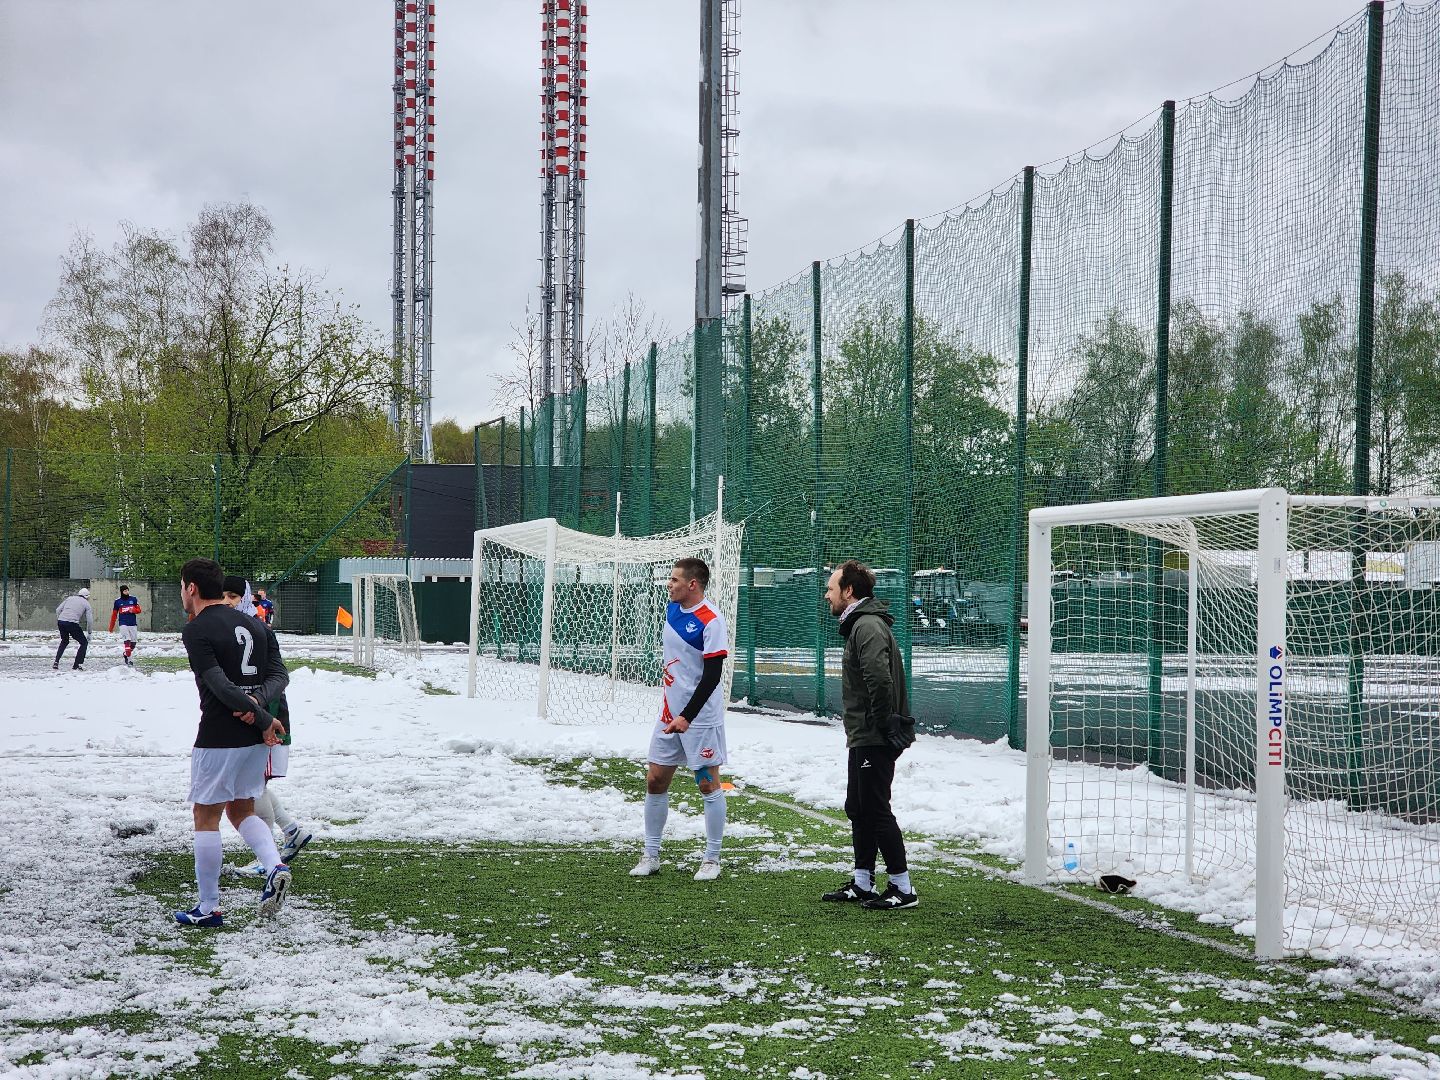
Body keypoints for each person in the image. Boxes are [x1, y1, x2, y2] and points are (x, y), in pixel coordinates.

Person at [174, 558, 293, 928]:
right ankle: (275, 867)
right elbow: (279, 675)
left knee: (205, 816)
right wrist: (259, 706)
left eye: (181, 586)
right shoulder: (256, 624)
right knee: (241, 810)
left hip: (219, 735)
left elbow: (219, 686)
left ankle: (208, 907)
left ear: (191, 588)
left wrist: (257, 712)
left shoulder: (195, 629)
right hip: (254, 739)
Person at [820, 559, 918, 910]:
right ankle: (863, 882)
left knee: (876, 809)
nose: (826, 595)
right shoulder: (860, 624)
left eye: (831, 589)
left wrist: (884, 723)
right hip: (865, 733)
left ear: (849, 591)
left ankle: (903, 887)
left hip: (874, 734)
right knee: (858, 807)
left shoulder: (867, 626)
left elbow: (879, 678)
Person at [629, 557, 731, 882]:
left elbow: (712, 677)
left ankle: (712, 859)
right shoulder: (673, 610)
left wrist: (687, 716)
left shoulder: (711, 621)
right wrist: (674, 713)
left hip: (699, 719)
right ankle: (651, 855)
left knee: (706, 784)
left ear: (692, 584)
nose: (668, 585)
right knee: (655, 780)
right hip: (668, 716)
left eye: (674, 580)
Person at [221, 575, 312, 876]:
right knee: (251, 784)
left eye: (233, 596)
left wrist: (259, 710)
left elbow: (277, 676)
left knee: (249, 786)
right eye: (222, 595)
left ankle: (267, 857)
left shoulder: (257, 629)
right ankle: (291, 831)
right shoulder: (226, 627)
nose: (227, 601)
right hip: (248, 716)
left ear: (246, 598)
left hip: (264, 716)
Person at [53, 587, 92, 671]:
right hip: (72, 623)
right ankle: (77, 664)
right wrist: (89, 633)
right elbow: (89, 620)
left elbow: (57, 610)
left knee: (64, 641)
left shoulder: (70, 598)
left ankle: (56, 662)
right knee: (84, 643)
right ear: (87, 596)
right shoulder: (86, 603)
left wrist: (60, 619)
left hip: (61, 621)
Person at [109, 585, 143, 667]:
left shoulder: (133, 599)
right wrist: (111, 627)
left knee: (133, 644)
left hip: (133, 624)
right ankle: (130, 660)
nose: (127, 592)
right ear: (121, 592)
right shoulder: (117, 602)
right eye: (125, 591)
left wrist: (133, 610)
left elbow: (139, 610)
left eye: (127, 590)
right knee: (127, 642)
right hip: (123, 624)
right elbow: (114, 615)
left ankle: (125, 654)